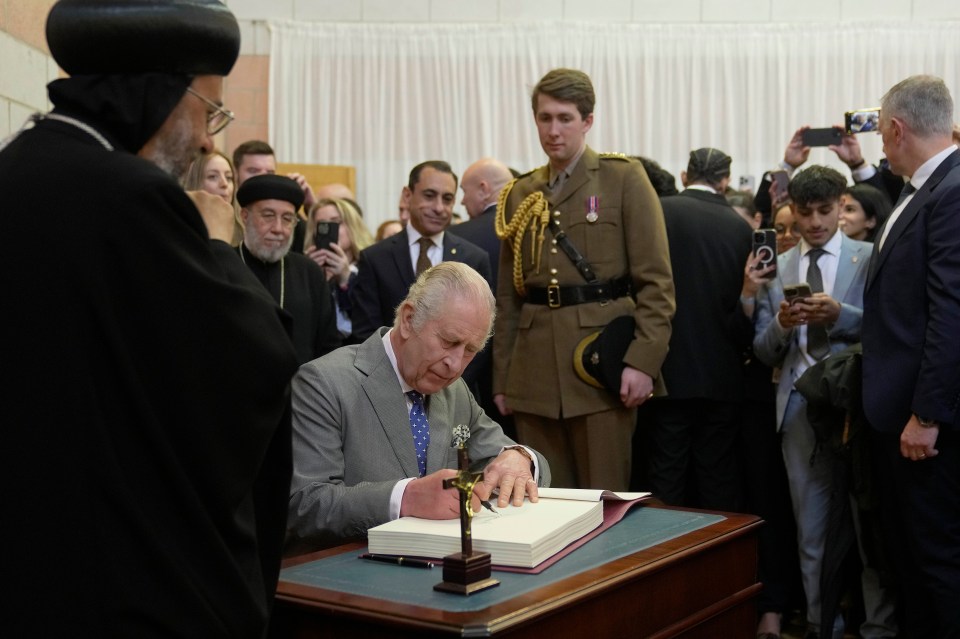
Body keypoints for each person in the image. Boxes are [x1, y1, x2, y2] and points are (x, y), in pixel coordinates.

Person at [0, 1, 300, 636]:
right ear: (157, 92)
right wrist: (219, 242)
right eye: (208, 110)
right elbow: (251, 359)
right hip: (125, 575)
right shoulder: (128, 195)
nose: (208, 138)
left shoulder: (18, 168)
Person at [286, 262, 551, 552]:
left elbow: (504, 454)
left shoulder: (454, 390)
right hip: (347, 573)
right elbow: (305, 505)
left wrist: (519, 457)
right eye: (449, 342)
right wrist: (407, 498)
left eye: (470, 351)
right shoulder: (323, 383)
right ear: (409, 319)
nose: (455, 365)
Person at [493, 68, 675, 490]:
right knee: (542, 502)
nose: (553, 130)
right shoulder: (521, 193)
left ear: (587, 121)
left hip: (599, 369)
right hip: (534, 372)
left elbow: (656, 282)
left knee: (604, 500)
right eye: (544, 118)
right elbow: (508, 298)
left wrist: (642, 362)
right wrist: (503, 380)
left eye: (565, 118)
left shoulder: (623, 178)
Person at [753, 166, 895, 639]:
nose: (815, 223)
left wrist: (842, 315)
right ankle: (821, 624)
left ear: (841, 203)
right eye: (806, 213)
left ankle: (878, 627)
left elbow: (890, 325)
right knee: (809, 529)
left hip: (858, 403)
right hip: (798, 406)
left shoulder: (869, 257)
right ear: (793, 209)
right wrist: (782, 324)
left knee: (870, 527)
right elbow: (762, 350)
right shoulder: (781, 266)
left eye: (825, 211)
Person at [862, 75, 960, 638]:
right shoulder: (926, 186)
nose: (880, 145)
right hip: (899, 414)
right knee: (914, 562)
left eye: (880, 133)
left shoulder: (950, 189)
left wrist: (927, 415)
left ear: (897, 129)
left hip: (924, 423)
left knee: (937, 561)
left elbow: (951, 314)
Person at [646, 147, 752, 511]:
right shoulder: (740, 227)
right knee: (718, 476)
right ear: (725, 181)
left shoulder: (659, 212)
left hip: (666, 369)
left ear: (684, 176)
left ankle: (663, 558)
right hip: (722, 372)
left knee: (666, 473)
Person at [350, 160, 492, 343]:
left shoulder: (474, 259)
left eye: (447, 199)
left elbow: (481, 336)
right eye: (429, 195)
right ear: (408, 195)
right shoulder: (375, 258)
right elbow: (366, 334)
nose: (439, 207)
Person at [237, 174, 341, 363]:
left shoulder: (309, 272)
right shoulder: (224, 265)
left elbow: (328, 346)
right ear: (245, 216)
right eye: (268, 216)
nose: (278, 228)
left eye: (287, 219)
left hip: (299, 388)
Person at [304, 197, 374, 342]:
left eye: (336, 222)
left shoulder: (373, 265)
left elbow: (370, 320)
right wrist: (311, 276)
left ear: (352, 225)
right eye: (321, 225)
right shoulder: (305, 267)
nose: (329, 230)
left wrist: (346, 279)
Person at [233, 138, 316, 252]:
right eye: (253, 171)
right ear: (235, 173)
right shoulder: (224, 211)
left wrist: (311, 207)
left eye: (270, 172)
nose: (263, 178)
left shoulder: (286, 215)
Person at [182, 149, 242, 245]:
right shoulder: (181, 232)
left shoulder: (243, 233)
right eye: (213, 177)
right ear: (195, 184)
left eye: (229, 177)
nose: (224, 184)